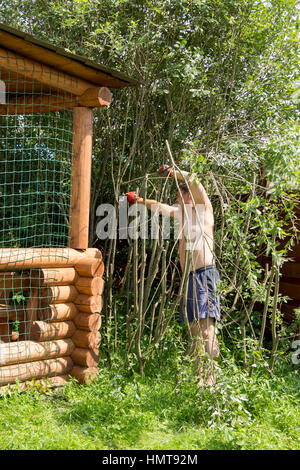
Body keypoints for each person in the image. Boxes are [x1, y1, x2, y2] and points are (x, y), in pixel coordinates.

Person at [126, 165, 221, 386]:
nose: (176, 199)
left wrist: (173, 171)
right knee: (194, 326)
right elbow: (158, 206)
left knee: (206, 328)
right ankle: (201, 374)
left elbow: (196, 181)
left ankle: (211, 379)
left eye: (180, 195)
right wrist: (138, 200)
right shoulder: (182, 214)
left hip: (204, 274)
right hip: (190, 277)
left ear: (189, 194)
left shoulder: (203, 210)